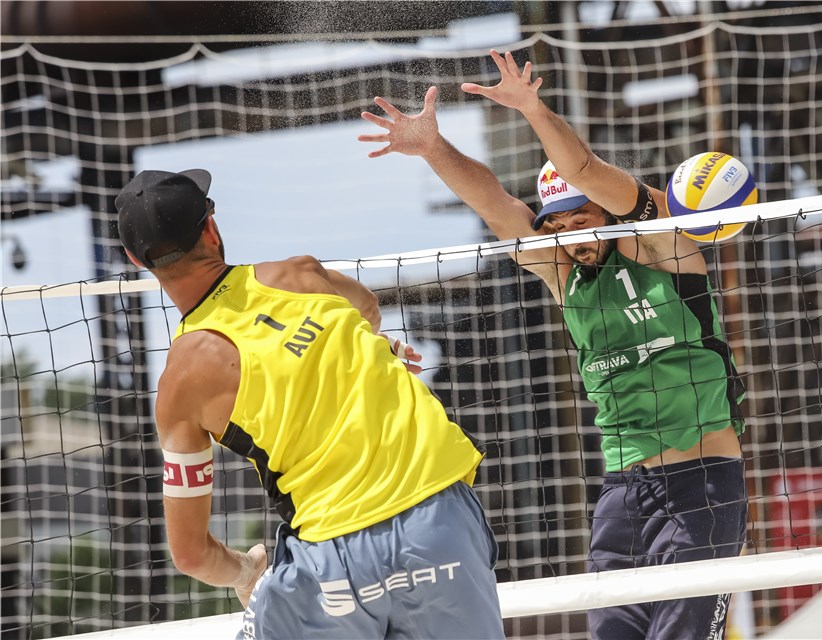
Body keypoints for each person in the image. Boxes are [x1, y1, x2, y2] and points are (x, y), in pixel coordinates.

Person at [360, 50, 747, 640]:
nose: (569, 234)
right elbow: (497, 207)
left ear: (610, 212)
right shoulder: (566, 277)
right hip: (623, 492)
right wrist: (434, 148)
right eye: (557, 225)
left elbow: (587, 169)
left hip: (703, 484)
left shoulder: (663, 247)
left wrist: (532, 109)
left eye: (580, 219)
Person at [114, 169, 504, 640]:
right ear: (211, 228)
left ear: (136, 259)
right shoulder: (299, 273)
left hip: (332, 562)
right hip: (439, 523)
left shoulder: (181, 384)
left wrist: (247, 572)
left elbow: (191, 555)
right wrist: (366, 352)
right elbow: (367, 310)